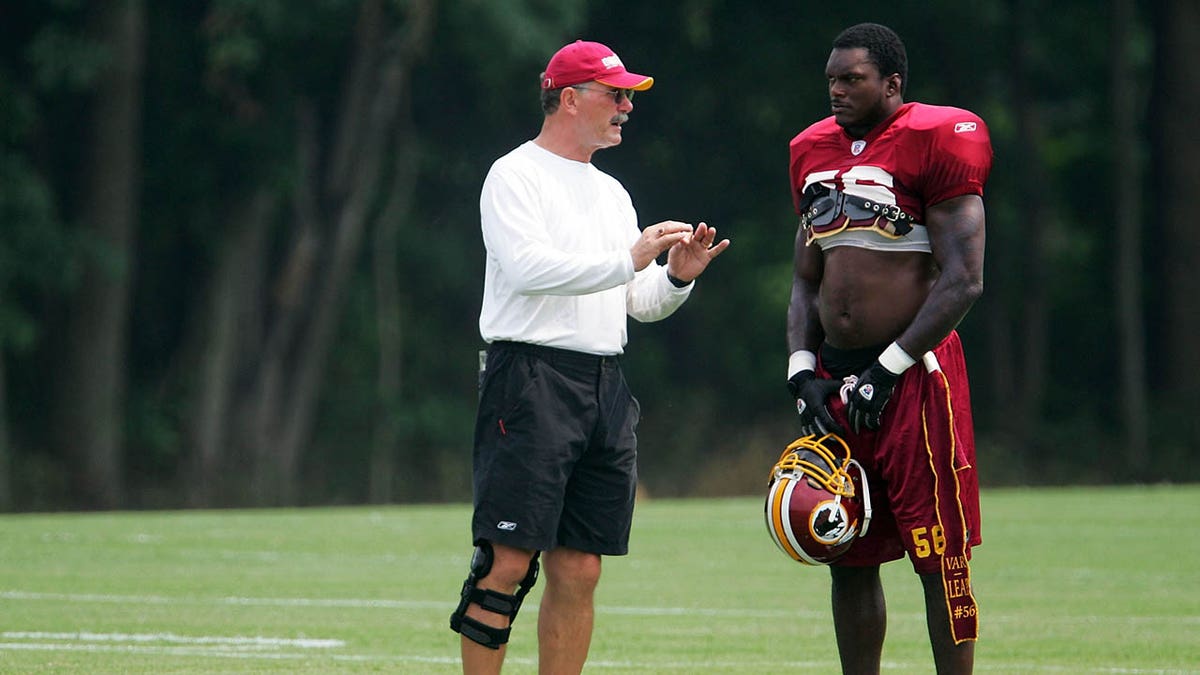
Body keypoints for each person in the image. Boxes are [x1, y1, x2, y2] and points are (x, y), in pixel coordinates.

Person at [449, 39, 730, 675]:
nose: (628, 106)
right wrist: (628, 258)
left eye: (630, 95)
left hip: (603, 384)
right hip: (529, 380)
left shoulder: (612, 194)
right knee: (507, 560)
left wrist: (678, 277)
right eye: (617, 94)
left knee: (580, 566)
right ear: (570, 98)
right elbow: (528, 270)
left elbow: (636, 303)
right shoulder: (514, 174)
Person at [785, 23, 992, 674]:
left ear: (893, 83)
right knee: (845, 555)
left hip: (914, 378)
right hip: (839, 381)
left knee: (939, 559)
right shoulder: (811, 150)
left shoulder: (938, 138)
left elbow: (964, 278)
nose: (837, 91)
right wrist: (801, 370)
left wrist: (888, 367)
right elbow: (805, 278)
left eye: (853, 79)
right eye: (831, 80)